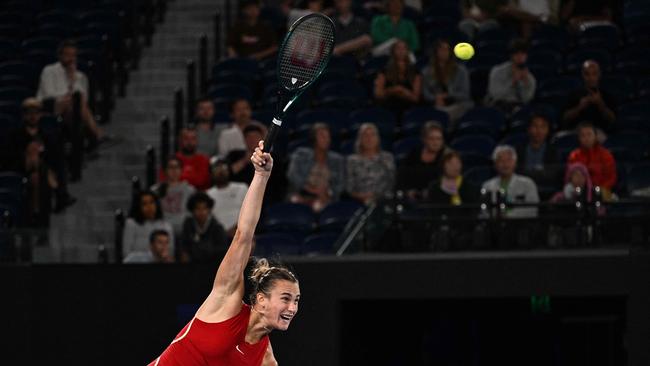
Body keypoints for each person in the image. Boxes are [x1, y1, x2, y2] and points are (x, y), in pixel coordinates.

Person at [149, 141, 298, 366]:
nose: (293, 308)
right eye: (286, 299)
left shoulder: (265, 358)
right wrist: (261, 175)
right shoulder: (227, 301)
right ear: (261, 300)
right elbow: (244, 234)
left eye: (296, 301)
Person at [5, 97, 75, 212]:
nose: (33, 116)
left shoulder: (45, 135)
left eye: (36, 113)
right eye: (29, 113)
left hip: (41, 171)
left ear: (40, 114)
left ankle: (37, 213)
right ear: (24, 115)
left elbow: (54, 156)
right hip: (22, 168)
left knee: (37, 174)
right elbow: (10, 158)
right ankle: (59, 192)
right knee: (32, 151)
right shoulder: (16, 135)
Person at [35, 40, 105, 150]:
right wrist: (67, 97)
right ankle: (96, 134)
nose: (70, 59)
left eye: (73, 55)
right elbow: (48, 94)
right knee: (75, 102)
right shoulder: (49, 70)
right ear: (60, 55)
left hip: (73, 110)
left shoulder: (80, 76)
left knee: (77, 102)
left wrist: (72, 79)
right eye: (67, 55)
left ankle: (80, 143)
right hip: (49, 106)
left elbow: (83, 100)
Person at [287, 123, 345, 212]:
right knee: (295, 202)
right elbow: (292, 175)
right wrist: (310, 189)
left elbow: (340, 183)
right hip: (302, 194)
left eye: (327, 136)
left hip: (325, 197)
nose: (326, 139)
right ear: (313, 138)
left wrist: (328, 193)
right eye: (322, 136)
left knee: (322, 207)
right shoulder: (301, 154)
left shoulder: (336, 159)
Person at [421, 39, 473, 124]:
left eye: (446, 49)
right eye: (441, 49)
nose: (443, 52)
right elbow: (425, 93)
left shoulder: (461, 71)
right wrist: (436, 98)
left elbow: (465, 94)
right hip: (436, 105)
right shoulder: (426, 72)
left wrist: (448, 96)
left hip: (458, 104)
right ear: (436, 52)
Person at [397, 122, 451, 200]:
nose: (435, 143)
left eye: (439, 139)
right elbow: (402, 174)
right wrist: (407, 191)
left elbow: (452, 182)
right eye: (431, 139)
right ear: (424, 139)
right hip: (412, 197)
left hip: (438, 199)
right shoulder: (415, 153)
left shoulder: (448, 156)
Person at [482, 145, 539, 218]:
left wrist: (508, 216)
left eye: (509, 160)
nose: (505, 164)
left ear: (515, 163)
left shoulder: (528, 183)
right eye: (501, 160)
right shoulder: (487, 185)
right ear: (495, 164)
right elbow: (484, 212)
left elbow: (533, 209)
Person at [346, 123, 396, 204]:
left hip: (383, 201)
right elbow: (349, 188)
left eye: (372, 135)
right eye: (365, 135)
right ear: (360, 139)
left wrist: (377, 197)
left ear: (378, 138)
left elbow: (392, 183)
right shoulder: (352, 160)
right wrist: (363, 197)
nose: (369, 138)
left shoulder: (387, 158)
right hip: (359, 201)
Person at [562, 60, 616, 134]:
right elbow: (565, 118)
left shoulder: (607, 95)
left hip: (598, 132)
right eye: (587, 74)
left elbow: (612, 120)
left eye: (594, 74)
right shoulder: (574, 95)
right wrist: (580, 107)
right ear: (582, 75)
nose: (591, 78)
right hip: (576, 131)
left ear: (599, 75)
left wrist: (600, 103)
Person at [566, 122, 616, 200]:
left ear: (595, 136)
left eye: (589, 134)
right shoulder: (574, 155)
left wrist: (599, 189)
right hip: (580, 191)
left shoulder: (606, 155)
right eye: (583, 135)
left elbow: (611, 177)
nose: (586, 138)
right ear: (579, 138)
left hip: (601, 191)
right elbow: (571, 177)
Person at [373, 39, 421, 118]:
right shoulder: (384, 71)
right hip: (388, 107)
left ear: (407, 51)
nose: (401, 51)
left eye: (404, 48)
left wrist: (403, 91)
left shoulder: (415, 72)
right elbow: (378, 94)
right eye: (398, 48)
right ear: (393, 51)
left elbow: (416, 97)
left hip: (409, 108)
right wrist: (392, 90)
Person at [485, 38, 536, 112]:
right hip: (497, 106)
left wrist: (525, 83)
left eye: (522, 54)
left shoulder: (529, 78)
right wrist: (512, 82)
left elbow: (526, 99)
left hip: (517, 109)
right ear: (511, 55)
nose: (520, 57)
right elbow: (495, 95)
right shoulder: (497, 71)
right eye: (516, 53)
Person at [122, 191, 175, 261]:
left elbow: (171, 252)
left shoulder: (166, 225)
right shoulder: (131, 224)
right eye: (144, 204)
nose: (149, 207)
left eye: (152, 202)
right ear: (138, 207)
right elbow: (126, 253)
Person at [514, 113, 561, 189]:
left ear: (548, 130)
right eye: (535, 126)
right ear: (529, 129)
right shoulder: (519, 150)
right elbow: (516, 173)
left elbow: (553, 176)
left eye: (543, 127)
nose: (539, 130)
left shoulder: (554, 152)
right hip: (522, 188)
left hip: (545, 190)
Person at [180, 192, 228, 264]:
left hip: (212, 265)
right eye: (198, 208)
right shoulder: (188, 225)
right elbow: (183, 245)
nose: (201, 212)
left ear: (209, 209)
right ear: (192, 210)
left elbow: (222, 250)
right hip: (192, 265)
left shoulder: (217, 227)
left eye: (204, 208)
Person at [152, 156, 196, 235]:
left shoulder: (189, 190)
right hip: (162, 231)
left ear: (181, 170)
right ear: (165, 170)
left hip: (184, 230)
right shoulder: (156, 190)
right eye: (171, 167)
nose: (174, 170)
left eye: (177, 167)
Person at [206, 157, 248, 238]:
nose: (220, 171)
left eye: (224, 167)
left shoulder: (242, 188)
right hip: (218, 237)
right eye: (216, 168)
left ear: (229, 170)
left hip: (242, 233)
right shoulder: (208, 194)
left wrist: (237, 229)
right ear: (211, 173)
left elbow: (250, 212)